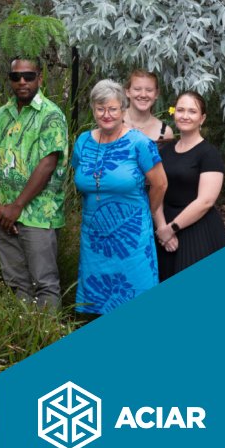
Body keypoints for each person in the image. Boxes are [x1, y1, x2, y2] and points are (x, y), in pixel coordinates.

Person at [71, 79, 167, 315]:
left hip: (131, 240)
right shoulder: (83, 142)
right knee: (94, 306)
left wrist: (146, 214)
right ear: (93, 108)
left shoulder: (140, 143)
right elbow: (80, 176)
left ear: (123, 110)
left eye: (113, 109)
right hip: (94, 239)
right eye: (100, 108)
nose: (106, 114)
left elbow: (160, 184)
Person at [0, 57, 68, 308]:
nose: (22, 82)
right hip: (3, 215)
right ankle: (25, 340)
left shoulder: (51, 115)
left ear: (40, 78)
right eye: (16, 77)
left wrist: (17, 205)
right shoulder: (2, 114)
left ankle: (47, 338)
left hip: (38, 214)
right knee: (16, 283)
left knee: (44, 282)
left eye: (29, 76)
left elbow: (48, 163)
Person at [155, 91, 225, 280]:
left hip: (198, 231)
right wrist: (162, 228)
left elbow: (206, 201)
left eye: (192, 111)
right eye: (180, 110)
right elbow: (156, 190)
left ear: (202, 118)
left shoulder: (208, 154)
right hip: (164, 234)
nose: (185, 116)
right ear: (174, 113)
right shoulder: (165, 151)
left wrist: (171, 229)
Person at [124, 69, 174, 142]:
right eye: (137, 89)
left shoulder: (164, 132)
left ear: (156, 94)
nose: (143, 95)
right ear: (128, 92)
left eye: (149, 90)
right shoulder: (113, 121)